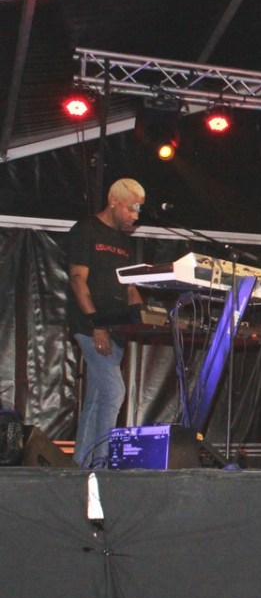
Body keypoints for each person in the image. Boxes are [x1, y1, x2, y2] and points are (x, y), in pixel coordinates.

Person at [66, 178, 146, 467]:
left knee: (98, 397)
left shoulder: (124, 241)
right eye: (132, 208)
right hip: (91, 326)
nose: (136, 215)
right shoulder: (86, 230)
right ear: (114, 202)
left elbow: (130, 287)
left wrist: (145, 316)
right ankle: (101, 465)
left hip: (116, 328)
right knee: (114, 392)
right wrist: (96, 325)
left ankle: (80, 465)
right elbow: (77, 280)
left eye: (139, 210)